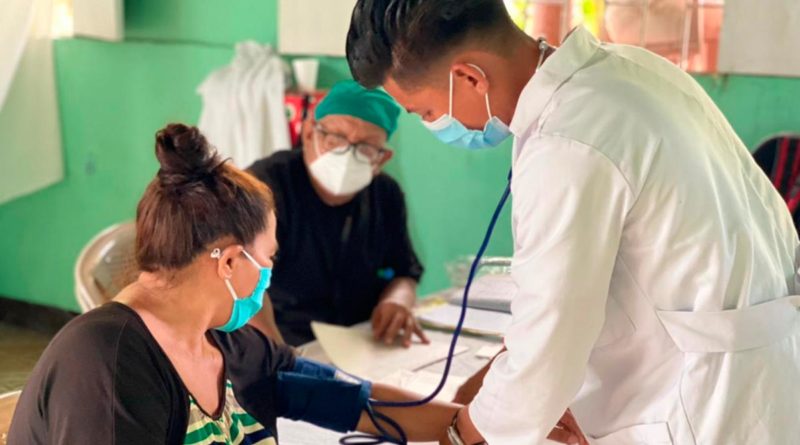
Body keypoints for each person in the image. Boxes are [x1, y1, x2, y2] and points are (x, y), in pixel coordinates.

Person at [346, 1, 800, 444]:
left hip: (700, 400)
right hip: (757, 369)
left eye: (426, 112)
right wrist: (509, 386)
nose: (436, 125)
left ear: (469, 77)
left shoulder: (567, 140)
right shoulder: (630, 69)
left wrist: (463, 433)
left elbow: (549, 342)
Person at [7, 124, 459, 444]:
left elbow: (356, 402)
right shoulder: (109, 362)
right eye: (268, 257)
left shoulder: (229, 346)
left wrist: (471, 427)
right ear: (227, 262)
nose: (269, 272)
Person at [248, 80, 428, 347]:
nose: (346, 156)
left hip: (362, 340)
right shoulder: (264, 187)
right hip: (281, 340)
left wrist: (398, 299)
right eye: (335, 139)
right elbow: (236, 285)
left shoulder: (385, 195)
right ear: (309, 132)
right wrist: (279, 359)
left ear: (381, 159)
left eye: (365, 147)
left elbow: (405, 271)